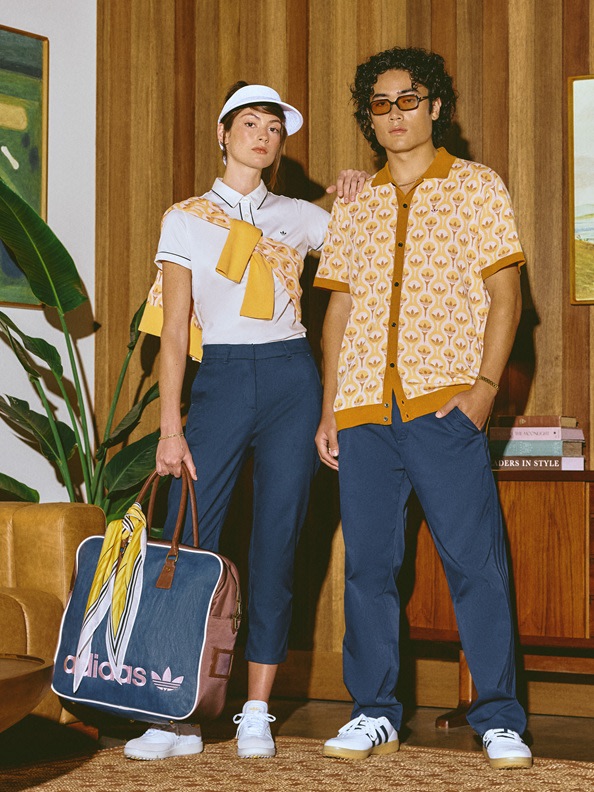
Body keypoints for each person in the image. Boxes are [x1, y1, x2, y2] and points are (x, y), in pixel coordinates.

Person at [126, 82, 366, 762]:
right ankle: (174, 710)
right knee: (186, 536)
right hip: (223, 379)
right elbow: (176, 331)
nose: (263, 136)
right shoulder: (185, 219)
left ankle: (255, 709)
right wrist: (170, 426)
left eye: (274, 129)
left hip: (293, 377)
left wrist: (356, 187)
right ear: (225, 134)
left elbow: (374, 240)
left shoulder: (302, 217)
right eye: (250, 123)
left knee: (279, 540)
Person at [314, 47, 533, 770]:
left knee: (476, 565)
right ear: (369, 119)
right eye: (381, 104)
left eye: (410, 99)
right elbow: (338, 313)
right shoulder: (355, 201)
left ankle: (499, 716)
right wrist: (330, 409)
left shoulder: (477, 186)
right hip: (365, 413)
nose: (396, 114)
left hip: (446, 408)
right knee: (369, 568)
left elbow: (507, 299)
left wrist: (481, 394)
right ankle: (374, 711)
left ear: (435, 106)